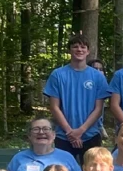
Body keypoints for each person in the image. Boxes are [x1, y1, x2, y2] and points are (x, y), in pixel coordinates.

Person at [44, 34, 111, 162]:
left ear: (88, 51)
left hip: (90, 135)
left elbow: (98, 108)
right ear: (69, 50)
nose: (79, 50)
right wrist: (70, 132)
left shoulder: (98, 77)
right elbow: (54, 106)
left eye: (83, 47)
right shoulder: (58, 75)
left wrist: (81, 130)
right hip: (63, 136)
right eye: (75, 47)